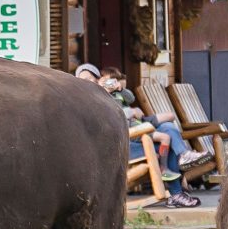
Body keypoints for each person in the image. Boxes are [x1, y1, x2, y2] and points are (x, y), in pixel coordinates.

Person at [77, 64, 200, 207]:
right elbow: (109, 118)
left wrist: (120, 91)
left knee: (168, 127)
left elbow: (128, 100)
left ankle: (183, 156)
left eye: (90, 78)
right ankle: (176, 192)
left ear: (98, 79)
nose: (86, 82)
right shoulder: (86, 102)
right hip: (118, 147)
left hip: (133, 135)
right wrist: (131, 112)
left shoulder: (107, 93)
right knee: (167, 143)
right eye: (81, 79)